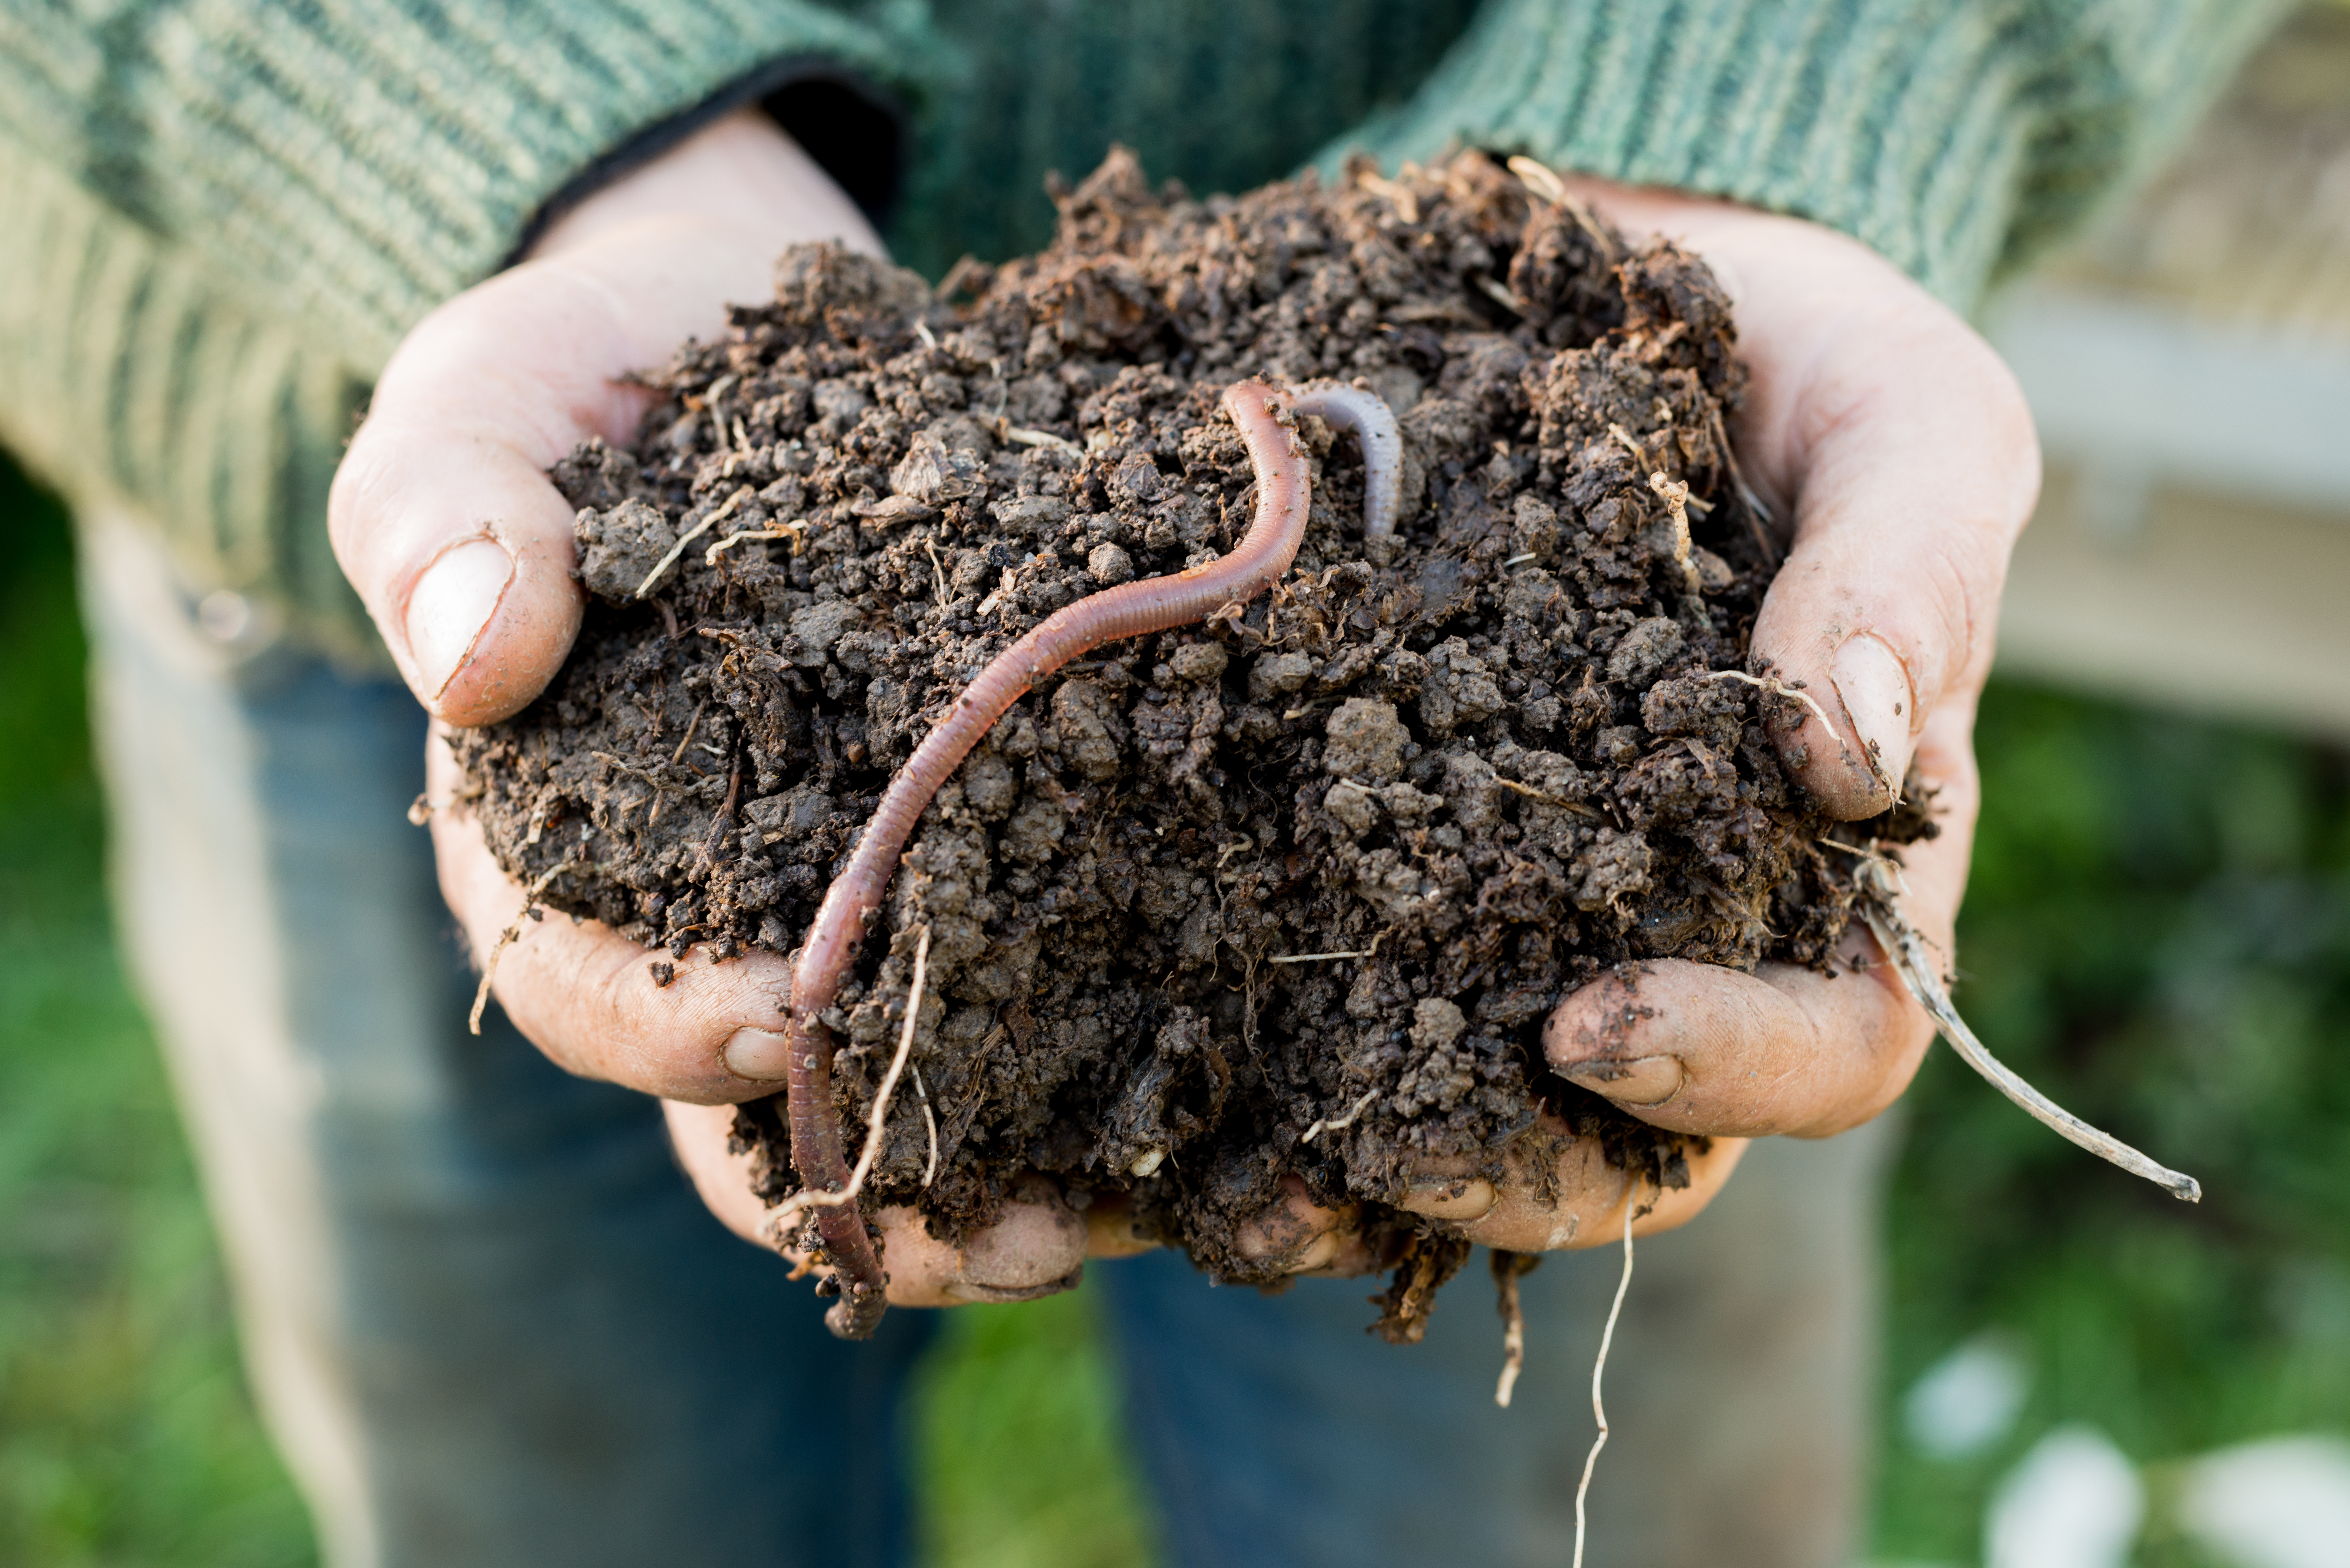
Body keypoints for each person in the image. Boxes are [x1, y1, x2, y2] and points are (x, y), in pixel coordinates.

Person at [0, 3, 2290, 1564]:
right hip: (529, 538)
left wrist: (1771, 106)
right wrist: (520, 134)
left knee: (1549, 1213)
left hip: (1591, 697)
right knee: (552, 1498)